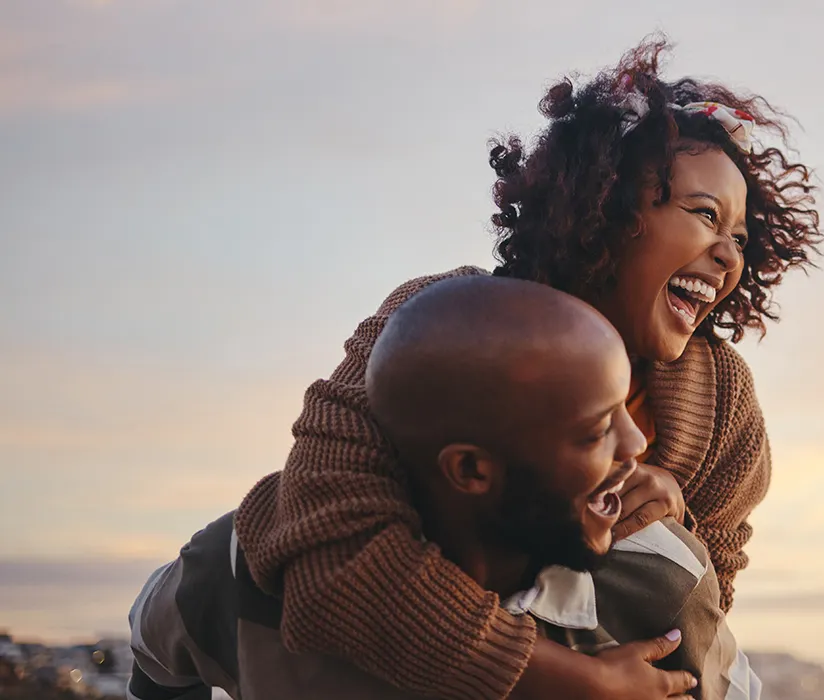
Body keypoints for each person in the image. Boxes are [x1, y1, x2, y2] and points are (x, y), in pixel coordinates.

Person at [234, 35, 824, 700]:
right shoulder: (441, 325)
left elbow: (700, 609)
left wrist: (675, 523)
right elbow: (331, 561)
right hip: (360, 655)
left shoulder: (722, 402)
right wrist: (561, 680)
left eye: (740, 238)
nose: (728, 256)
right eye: (703, 215)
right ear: (607, 208)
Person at [127, 277, 757, 699]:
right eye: (596, 432)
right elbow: (154, 650)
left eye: (629, 407)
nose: (638, 446)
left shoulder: (662, 586)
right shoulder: (240, 567)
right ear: (472, 470)